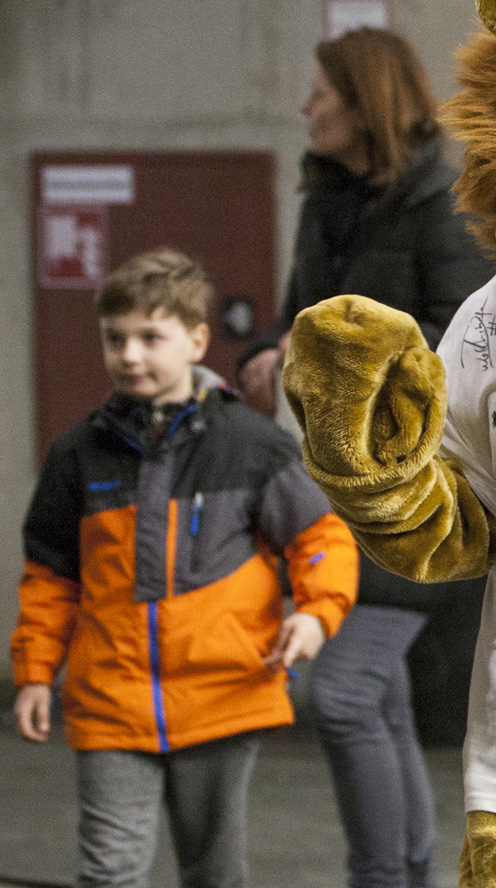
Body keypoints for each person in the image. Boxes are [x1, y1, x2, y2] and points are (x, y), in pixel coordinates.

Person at [236, 27, 496, 888]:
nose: (305, 107)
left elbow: (465, 342)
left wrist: (335, 351)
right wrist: (269, 351)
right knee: (376, 700)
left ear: (364, 101)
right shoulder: (325, 200)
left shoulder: (442, 202)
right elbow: (297, 315)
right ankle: (408, 874)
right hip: (339, 481)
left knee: (343, 695)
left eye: (321, 92)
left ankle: (383, 879)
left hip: (421, 490)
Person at [10, 247, 358, 888]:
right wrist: (35, 673)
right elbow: (52, 578)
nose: (129, 355)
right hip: (110, 702)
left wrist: (316, 614)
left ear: (197, 340)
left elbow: (321, 540)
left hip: (224, 699)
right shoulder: (77, 454)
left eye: (150, 337)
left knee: (213, 874)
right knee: (109, 873)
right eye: (115, 339)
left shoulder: (252, 445)